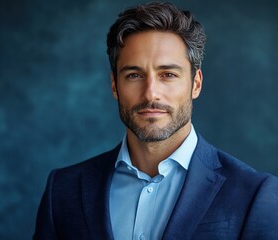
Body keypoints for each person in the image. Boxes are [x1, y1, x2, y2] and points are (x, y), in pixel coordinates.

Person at [33, 2, 278, 239]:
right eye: (134, 75)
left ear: (196, 84)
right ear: (114, 85)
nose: (150, 93)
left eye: (168, 74)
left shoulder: (256, 194)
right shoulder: (63, 190)